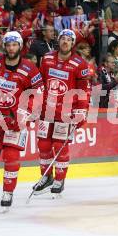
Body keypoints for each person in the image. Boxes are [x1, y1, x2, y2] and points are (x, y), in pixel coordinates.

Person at [0, 31, 43, 211]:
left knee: (11, 157)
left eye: (14, 45)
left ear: (20, 46)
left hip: (14, 122)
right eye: (8, 44)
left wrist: (25, 112)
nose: (11, 48)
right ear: (4, 46)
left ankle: (8, 193)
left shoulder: (30, 69)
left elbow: (38, 93)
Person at [32, 29, 91, 197]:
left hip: (65, 113)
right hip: (46, 110)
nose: (65, 42)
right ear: (59, 41)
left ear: (73, 44)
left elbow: (83, 91)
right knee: (43, 145)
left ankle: (59, 179)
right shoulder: (48, 58)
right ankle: (46, 177)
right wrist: (35, 104)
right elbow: (40, 83)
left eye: (69, 39)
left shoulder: (80, 64)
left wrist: (81, 112)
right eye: (63, 39)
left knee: (59, 146)